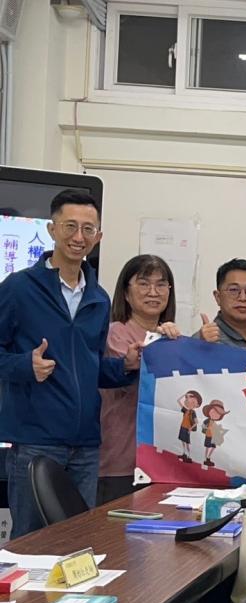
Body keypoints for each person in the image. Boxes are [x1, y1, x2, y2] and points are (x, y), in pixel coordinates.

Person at [0, 190, 140, 538]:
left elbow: (91, 368)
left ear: (99, 236)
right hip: (35, 441)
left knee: (77, 543)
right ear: (52, 229)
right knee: (30, 544)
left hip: (87, 447)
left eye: (88, 229)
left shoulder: (98, 298)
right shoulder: (19, 288)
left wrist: (125, 366)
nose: (79, 237)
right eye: (70, 226)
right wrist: (25, 366)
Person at [97, 255, 181, 505]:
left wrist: (197, 346)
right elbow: (146, 377)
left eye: (161, 284)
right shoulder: (116, 333)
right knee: (113, 528)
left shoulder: (172, 338)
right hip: (120, 461)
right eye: (143, 284)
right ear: (126, 293)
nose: (153, 292)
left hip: (162, 463)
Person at [194, 259, 246, 347]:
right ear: (218, 297)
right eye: (234, 290)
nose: (243, 298)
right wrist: (201, 348)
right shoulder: (203, 341)